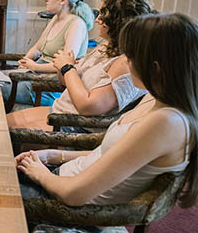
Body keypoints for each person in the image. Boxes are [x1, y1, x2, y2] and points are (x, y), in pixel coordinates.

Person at [16, 13, 198, 210]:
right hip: (58, 177)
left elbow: (73, 194)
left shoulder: (167, 122)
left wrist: (39, 172)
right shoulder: (155, 99)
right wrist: (51, 156)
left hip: (64, 205)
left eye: (130, 56)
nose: (125, 62)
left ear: (155, 68)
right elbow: (106, 155)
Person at [7, 0, 152, 132]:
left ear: (117, 23)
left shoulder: (125, 64)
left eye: (102, 15)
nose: (96, 20)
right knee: (0, 123)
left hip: (71, 126)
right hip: (59, 111)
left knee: (1, 132)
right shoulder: (105, 47)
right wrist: (62, 67)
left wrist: (67, 68)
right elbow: (67, 83)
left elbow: (87, 106)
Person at [14, 0, 95, 107]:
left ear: (63, 0)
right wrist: (24, 61)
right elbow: (37, 48)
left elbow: (66, 65)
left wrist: (34, 66)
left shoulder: (76, 25)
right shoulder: (55, 18)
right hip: (33, 77)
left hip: (46, 88)